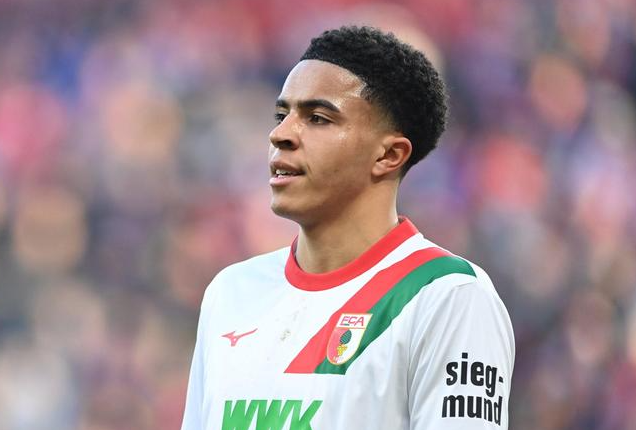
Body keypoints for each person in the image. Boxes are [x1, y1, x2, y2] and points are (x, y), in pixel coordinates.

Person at [181, 26, 515, 430]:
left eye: (318, 119)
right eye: (282, 115)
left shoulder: (446, 296)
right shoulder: (231, 292)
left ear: (388, 155)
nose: (280, 135)